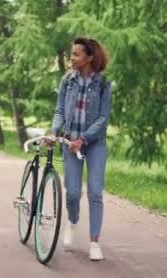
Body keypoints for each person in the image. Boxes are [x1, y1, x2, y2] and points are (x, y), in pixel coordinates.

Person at [51, 37, 111, 261]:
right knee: (73, 192)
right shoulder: (67, 81)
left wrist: (84, 139)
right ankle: (72, 221)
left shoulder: (103, 84)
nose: (72, 58)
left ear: (90, 58)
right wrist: (55, 131)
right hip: (69, 142)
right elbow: (59, 111)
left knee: (95, 192)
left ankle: (94, 242)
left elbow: (103, 118)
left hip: (94, 145)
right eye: (72, 53)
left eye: (76, 54)